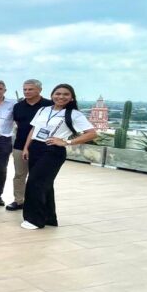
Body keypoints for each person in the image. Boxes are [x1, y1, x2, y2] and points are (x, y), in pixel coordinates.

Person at [21, 84, 97, 230]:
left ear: (71, 97)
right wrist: (26, 147)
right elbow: (34, 129)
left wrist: (67, 142)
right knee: (46, 185)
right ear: (52, 95)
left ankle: (34, 220)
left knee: (34, 182)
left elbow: (92, 133)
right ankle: (49, 217)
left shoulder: (74, 114)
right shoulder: (43, 109)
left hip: (53, 150)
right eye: (58, 93)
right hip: (36, 147)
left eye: (65, 94)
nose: (61, 97)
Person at [6, 79, 52, 212]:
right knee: (19, 174)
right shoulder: (18, 106)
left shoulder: (49, 106)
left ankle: (36, 201)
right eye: (25, 89)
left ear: (39, 90)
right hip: (20, 145)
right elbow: (17, 123)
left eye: (30, 89)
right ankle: (19, 200)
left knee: (38, 175)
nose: (27, 92)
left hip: (42, 146)